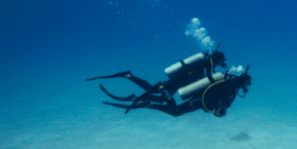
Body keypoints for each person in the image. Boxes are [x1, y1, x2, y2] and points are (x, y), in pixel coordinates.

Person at [88, 50, 251, 117]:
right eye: (221, 60)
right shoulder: (211, 66)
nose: (222, 63)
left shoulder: (220, 74)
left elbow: (208, 84)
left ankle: (137, 94)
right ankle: (136, 90)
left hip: (186, 84)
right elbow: (210, 86)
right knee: (167, 103)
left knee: (160, 99)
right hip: (181, 82)